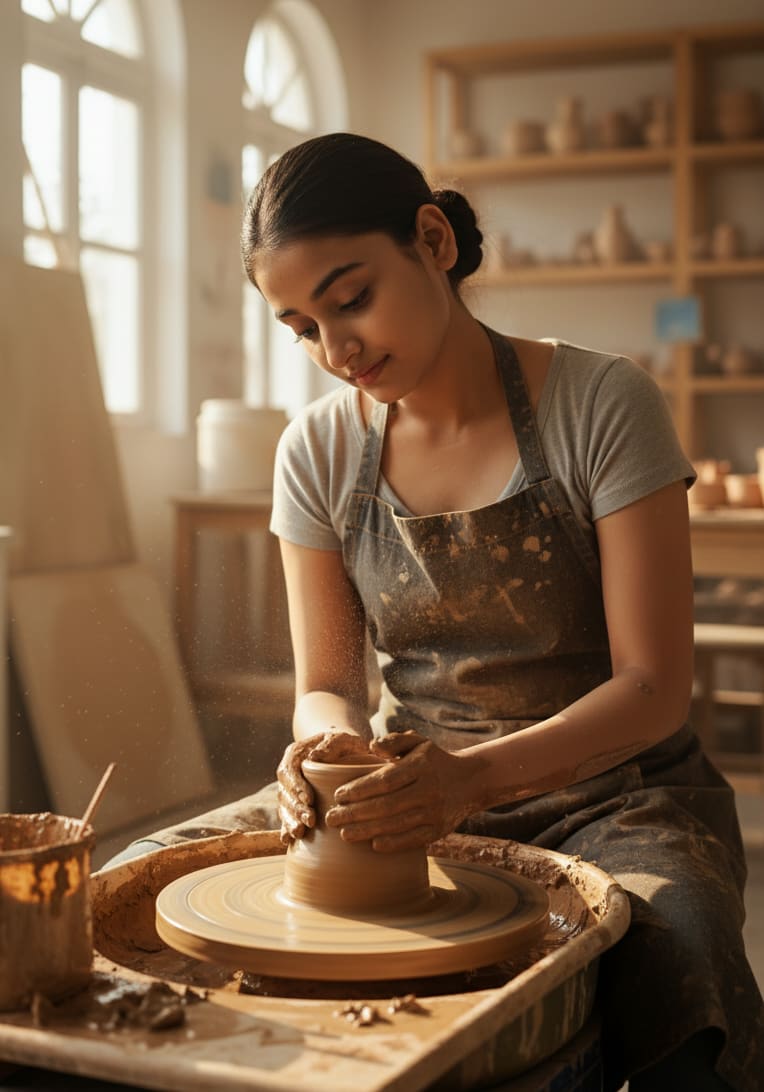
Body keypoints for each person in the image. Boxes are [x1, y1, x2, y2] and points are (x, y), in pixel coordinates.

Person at [236, 132, 763, 1092]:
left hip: (619, 793)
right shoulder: (313, 451)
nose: (335, 350)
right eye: (302, 327)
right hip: (413, 793)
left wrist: (466, 785)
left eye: (351, 298)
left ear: (433, 240)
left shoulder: (602, 404)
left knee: (681, 964)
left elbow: (654, 690)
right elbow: (325, 683)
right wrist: (329, 750)